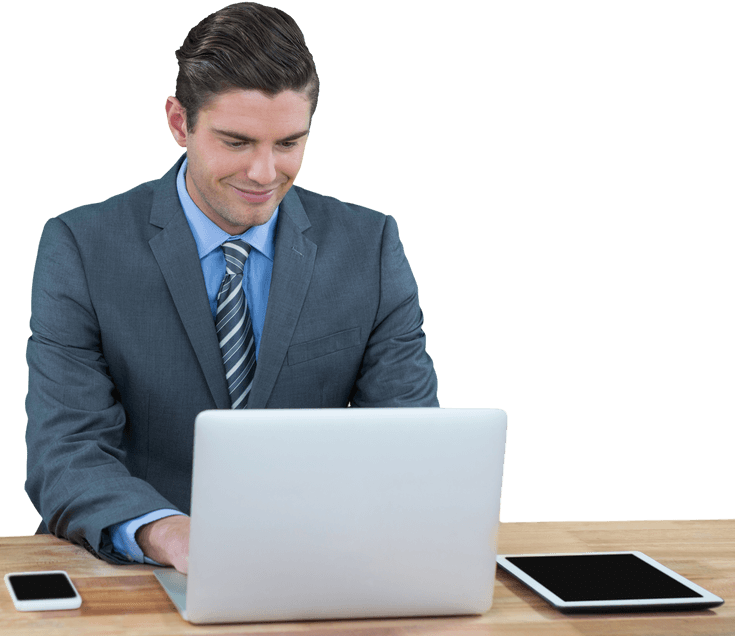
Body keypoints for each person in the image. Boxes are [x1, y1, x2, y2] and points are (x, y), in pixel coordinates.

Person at [25, 2, 438, 573]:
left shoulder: (370, 248)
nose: (265, 174)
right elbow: (65, 453)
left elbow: (407, 444)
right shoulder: (82, 247)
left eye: (289, 143)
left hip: (319, 569)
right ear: (178, 123)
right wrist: (169, 534)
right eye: (237, 142)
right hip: (138, 575)